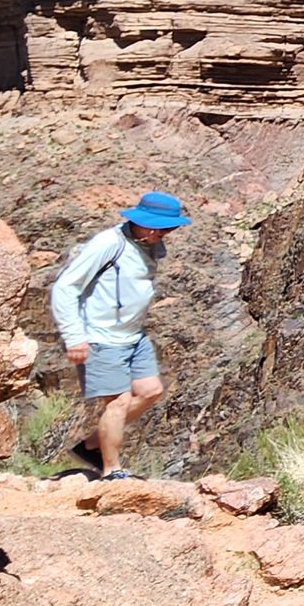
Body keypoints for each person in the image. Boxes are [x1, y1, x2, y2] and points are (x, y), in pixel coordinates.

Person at [49, 189, 191, 479]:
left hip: (132, 336)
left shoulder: (150, 245)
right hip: (101, 336)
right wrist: (74, 336)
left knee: (151, 390)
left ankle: (91, 445)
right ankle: (111, 471)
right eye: (164, 229)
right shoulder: (109, 244)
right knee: (118, 402)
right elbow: (66, 287)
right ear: (149, 224)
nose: (167, 234)